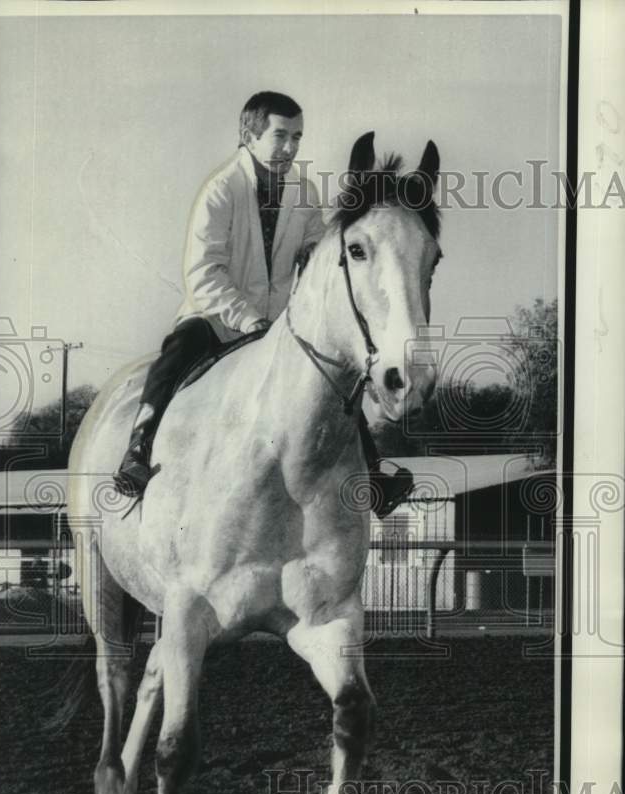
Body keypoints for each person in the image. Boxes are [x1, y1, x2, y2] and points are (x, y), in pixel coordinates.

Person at [113, 91, 413, 517]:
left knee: (336, 379)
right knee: (175, 354)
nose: (290, 148)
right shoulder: (220, 191)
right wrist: (249, 319)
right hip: (217, 318)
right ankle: (137, 452)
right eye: (280, 136)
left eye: (298, 137)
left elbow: (315, 253)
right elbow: (203, 273)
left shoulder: (303, 192)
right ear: (248, 135)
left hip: (280, 327)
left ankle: (373, 475)